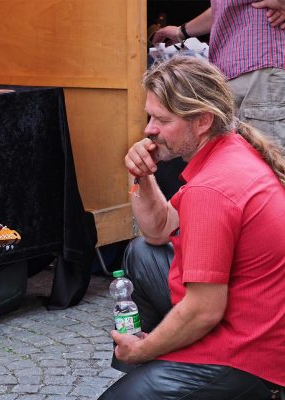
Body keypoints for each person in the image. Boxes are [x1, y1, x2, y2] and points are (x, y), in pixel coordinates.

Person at [99, 57, 285, 399]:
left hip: (250, 357)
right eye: (150, 116)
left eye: (162, 120)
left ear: (202, 121)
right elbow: (157, 231)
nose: (149, 130)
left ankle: (153, 362)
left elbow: (205, 310)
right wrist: (141, 176)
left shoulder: (210, 189)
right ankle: (154, 369)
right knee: (142, 251)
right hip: (259, 325)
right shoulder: (230, 148)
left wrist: (145, 349)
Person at [151, 0, 285, 147]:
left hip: (261, 67)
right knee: (237, 160)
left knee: (269, 158)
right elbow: (223, 8)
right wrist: (181, 31)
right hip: (228, 76)